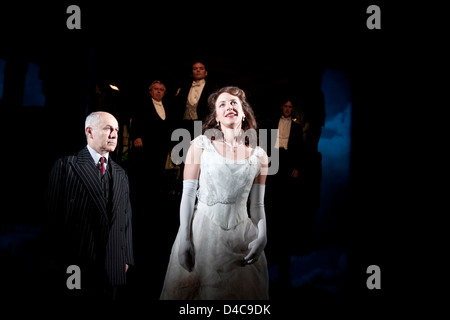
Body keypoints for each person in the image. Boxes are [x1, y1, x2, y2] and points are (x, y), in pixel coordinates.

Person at [160, 86, 270, 300]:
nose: (229, 106)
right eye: (222, 104)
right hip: (202, 234)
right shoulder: (200, 145)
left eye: (234, 103)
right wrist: (184, 238)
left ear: (243, 112)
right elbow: (188, 194)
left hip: (242, 239)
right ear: (216, 116)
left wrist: (263, 235)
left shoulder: (260, 156)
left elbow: (257, 205)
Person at [44, 111, 134, 301]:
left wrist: (126, 258)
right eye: (108, 129)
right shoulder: (65, 166)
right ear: (90, 132)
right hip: (76, 261)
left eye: (116, 130)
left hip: (113, 263)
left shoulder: (121, 174)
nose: (114, 135)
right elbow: (51, 216)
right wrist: (52, 258)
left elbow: (126, 219)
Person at [128, 80, 179, 299]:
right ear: (150, 91)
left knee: (157, 173)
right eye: (156, 90)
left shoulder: (166, 107)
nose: (158, 92)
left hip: (159, 146)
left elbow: (167, 126)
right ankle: (141, 199)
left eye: (161, 90)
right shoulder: (143, 104)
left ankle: (154, 198)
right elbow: (136, 121)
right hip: (144, 143)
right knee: (143, 174)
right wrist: (136, 135)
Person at [262, 97, 305, 296]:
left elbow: (299, 148)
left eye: (290, 107)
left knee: (286, 190)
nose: (287, 109)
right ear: (282, 107)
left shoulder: (296, 127)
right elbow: (265, 142)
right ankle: (269, 214)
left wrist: (296, 166)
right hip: (274, 156)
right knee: (271, 187)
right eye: (285, 106)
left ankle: (283, 218)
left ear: (292, 109)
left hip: (287, 157)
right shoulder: (272, 122)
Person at [175, 61, 216, 138]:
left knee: (199, 146)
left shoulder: (212, 88)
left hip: (202, 123)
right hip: (185, 122)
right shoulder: (185, 87)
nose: (198, 70)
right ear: (192, 72)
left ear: (206, 72)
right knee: (186, 147)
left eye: (201, 68)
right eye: (195, 69)